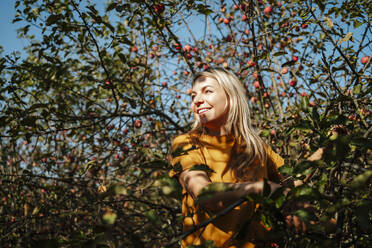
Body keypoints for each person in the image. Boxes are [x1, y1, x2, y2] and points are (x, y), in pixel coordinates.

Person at [169, 67, 306, 248]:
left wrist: (296, 206)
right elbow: (204, 195)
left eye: (207, 91)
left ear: (231, 96)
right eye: (193, 95)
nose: (197, 100)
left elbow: (293, 181)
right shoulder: (186, 143)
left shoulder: (256, 147)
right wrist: (259, 188)